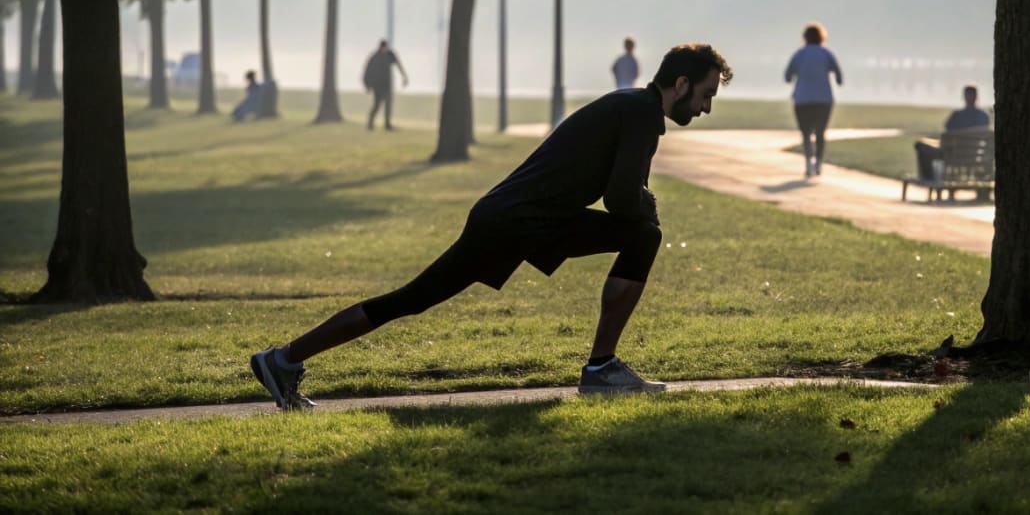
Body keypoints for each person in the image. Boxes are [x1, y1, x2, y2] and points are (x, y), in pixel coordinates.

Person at [251, 43, 733, 409]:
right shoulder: (640, 113)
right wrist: (646, 207)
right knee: (642, 236)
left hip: (512, 217)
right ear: (683, 83)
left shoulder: (633, 107)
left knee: (410, 300)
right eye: (707, 94)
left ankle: (283, 359)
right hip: (520, 220)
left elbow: (624, 192)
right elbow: (622, 197)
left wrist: (641, 204)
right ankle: (602, 369)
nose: (707, 107)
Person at [783, 23, 843, 177]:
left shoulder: (799, 54)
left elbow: (788, 76)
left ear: (805, 37)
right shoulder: (826, 54)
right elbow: (838, 74)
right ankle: (819, 163)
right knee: (820, 133)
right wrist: (836, 79)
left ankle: (808, 163)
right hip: (823, 99)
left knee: (806, 133)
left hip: (802, 99)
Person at [914, 84, 991, 180]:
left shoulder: (957, 116)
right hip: (973, 156)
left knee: (920, 146)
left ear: (964, 97)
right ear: (977, 97)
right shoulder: (984, 117)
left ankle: (929, 179)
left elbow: (947, 134)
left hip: (951, 155)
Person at [362, 40, 409, 131]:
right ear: (380, 47)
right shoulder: (375, 57)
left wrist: (404, 76)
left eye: (386, 48)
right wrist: (367, 85)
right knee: (377, 105)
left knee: (388, 104)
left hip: (387, 85)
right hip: (377, 86)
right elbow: (367, 71)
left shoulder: (390, 55)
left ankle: (387, 124)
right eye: (384, 48)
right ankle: (370, 124)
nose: (385, 50)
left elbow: (398, 64)